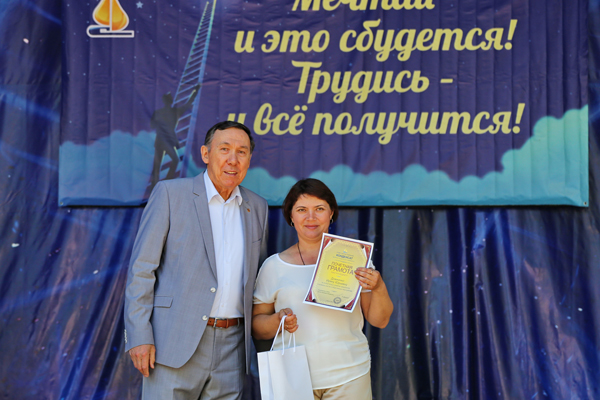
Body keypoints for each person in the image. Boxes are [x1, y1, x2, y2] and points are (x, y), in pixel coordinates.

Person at [124, 121, 269, 400]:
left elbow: (256, 279)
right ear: (205, 154)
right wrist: (139, 334)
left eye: (241, 152)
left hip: (232, 350)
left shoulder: (257, 207)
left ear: (249, 159)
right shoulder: (170, 194)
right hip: (173, 343)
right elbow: (142, 270)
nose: (233, 159)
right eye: (224, 149)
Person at [252, 178, 393, 400]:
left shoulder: (355, 258)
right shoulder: (273, 266)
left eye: (319, 208)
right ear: (291, 216)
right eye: (301, 210)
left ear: (331, 213)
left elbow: (380, 320)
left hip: (349, 375)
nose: (311, 217)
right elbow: (257, 328)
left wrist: (378, 287)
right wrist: (277, 320)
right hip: (292, 378)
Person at [149, 84, 200, 190]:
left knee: (161, 164)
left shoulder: (166, 112)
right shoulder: (171, 112)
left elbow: (152, 125)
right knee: (162, 163)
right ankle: (160, 184)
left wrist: (195, 92)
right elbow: (188, 104)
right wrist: (195, 92)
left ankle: (163, 182)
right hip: (164, 141)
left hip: (164, 141)